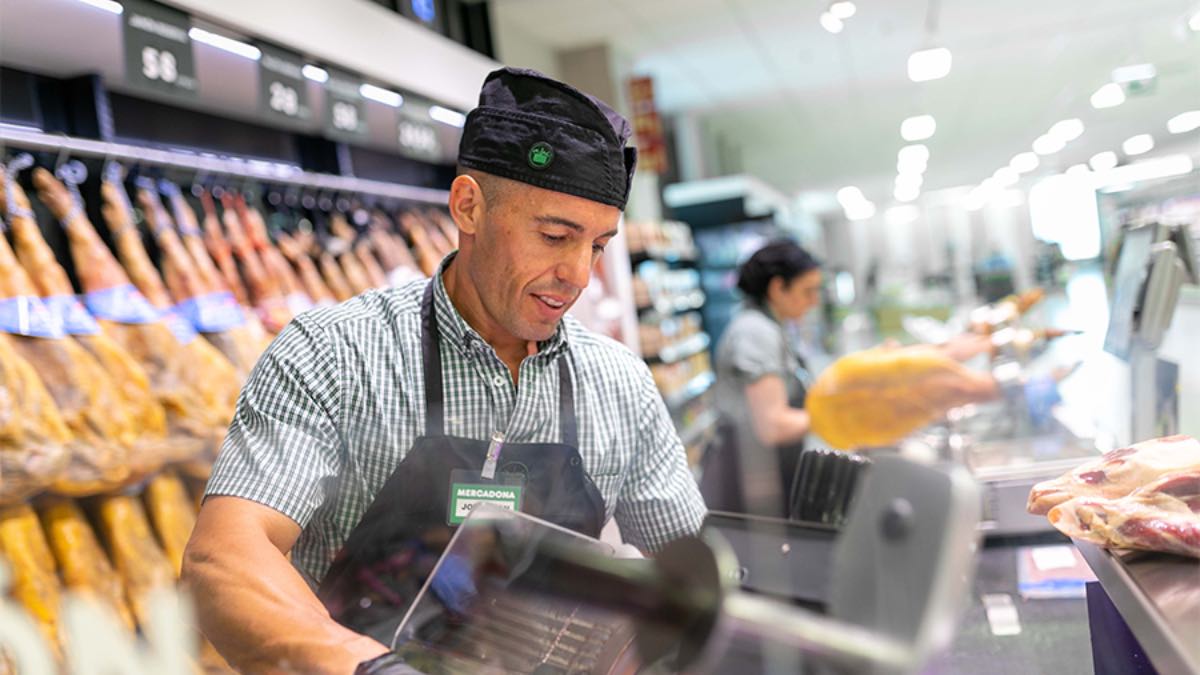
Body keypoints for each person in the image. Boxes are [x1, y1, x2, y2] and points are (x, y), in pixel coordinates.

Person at [182, 67, 707, 675]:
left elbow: (688, 570)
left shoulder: (619, 383)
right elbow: (225, 558)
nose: (580, 275)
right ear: (468, 207)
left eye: (596, 245)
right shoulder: (333, 353)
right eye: (554, 235)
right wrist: (370, 669)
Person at [701, 240, 822, 517]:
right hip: (748, 482)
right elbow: (772, 425)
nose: (814, 301)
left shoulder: (773, 327)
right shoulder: (755, 332)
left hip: (766, 473)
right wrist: (840, 415)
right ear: (778, 288)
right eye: (808, 291)